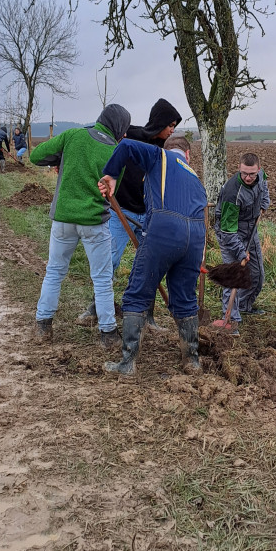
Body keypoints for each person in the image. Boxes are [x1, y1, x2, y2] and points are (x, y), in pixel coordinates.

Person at [98, 133, 207, 375]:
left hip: (166, 229)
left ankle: (127, 363)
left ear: (169, 149)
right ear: (188, 154)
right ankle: (192, 361)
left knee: (137, 292)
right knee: (185, 298)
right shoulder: (195, 178)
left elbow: (126, 145)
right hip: (196, 237)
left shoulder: (160, 156)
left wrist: (111, 175)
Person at [31, 104, 131, 348]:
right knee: (102, 278)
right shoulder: (117, 153)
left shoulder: (73, 135)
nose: (125, 135)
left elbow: (36, 156)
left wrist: (60, 157)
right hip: (95, 223)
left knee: (54, 271)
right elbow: (113, 190)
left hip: (63, 220)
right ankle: (108, 334)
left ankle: (43, 325)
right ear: (118, 128)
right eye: (124, 129)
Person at [77, 97, 182, 329]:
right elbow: (107, 145)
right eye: (169, 124)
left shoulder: (161, 151)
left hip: (148, 216)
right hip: (121, 210)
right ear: (159, 122)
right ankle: (95, 308)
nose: (172, 129)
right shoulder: (130, 135)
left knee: (148, 266)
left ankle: (146, 316)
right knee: (110, 259)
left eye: (175, 125)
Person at [213, 152, 270, 327]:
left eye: (252, 174)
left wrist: (264, 203)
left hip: (251, 229)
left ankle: (244, 305)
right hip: (229, 233)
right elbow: (228, 232)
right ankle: (231, 320)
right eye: (244, 173)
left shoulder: (260, 176)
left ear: (258, 170)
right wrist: (240, 252)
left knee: (257, 275)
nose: (247, 177)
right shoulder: (233, 192)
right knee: (234, 277)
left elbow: (264, 188)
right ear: (239, 168)